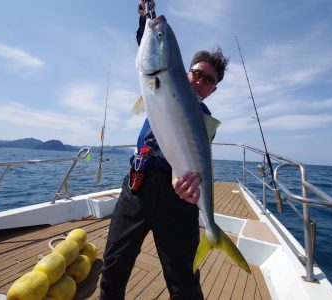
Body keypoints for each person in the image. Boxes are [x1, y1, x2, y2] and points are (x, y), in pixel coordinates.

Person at [99, 1, 229, 299]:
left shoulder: (205, 121)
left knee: (184, 281)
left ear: (214, 89)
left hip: (179, 201)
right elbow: (151, 51)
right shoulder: (160, 86)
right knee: (114, 266)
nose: (201, 81)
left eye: (209, 79)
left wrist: (194, 190)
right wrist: (146, 16)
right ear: (186, 73)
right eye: (197, 73)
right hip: (138, 186)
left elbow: (194, 163)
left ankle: (212, 235)